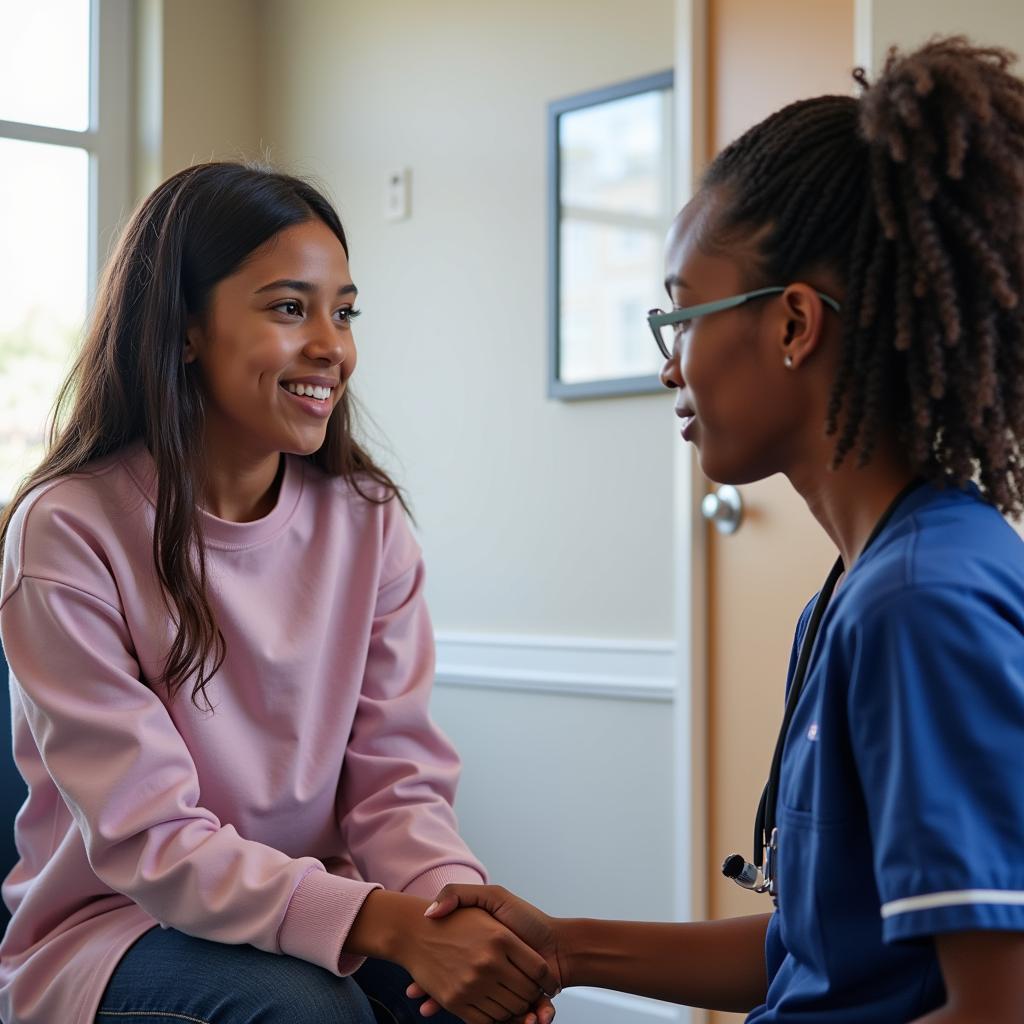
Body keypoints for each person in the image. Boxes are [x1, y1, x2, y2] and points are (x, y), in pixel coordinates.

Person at [411, 36, 1024, 1024]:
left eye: (681, 318)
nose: (668, 369)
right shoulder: (859, 590)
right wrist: (558, 945)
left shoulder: (925, 604)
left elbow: (994, 1010)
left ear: (790, 325)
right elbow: (815, 951)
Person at [0, 162, 557, 1024]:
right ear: (186, 329)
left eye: (345, 311)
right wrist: (388, 923)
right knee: (305, 1011)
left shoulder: (368, 521)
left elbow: (394, 787)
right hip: (114, 930)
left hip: (314, 912)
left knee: (478, 1003)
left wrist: (457, 914)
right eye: (289, 307)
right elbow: (151, 840)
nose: (334, 346)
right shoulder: (68, 527)